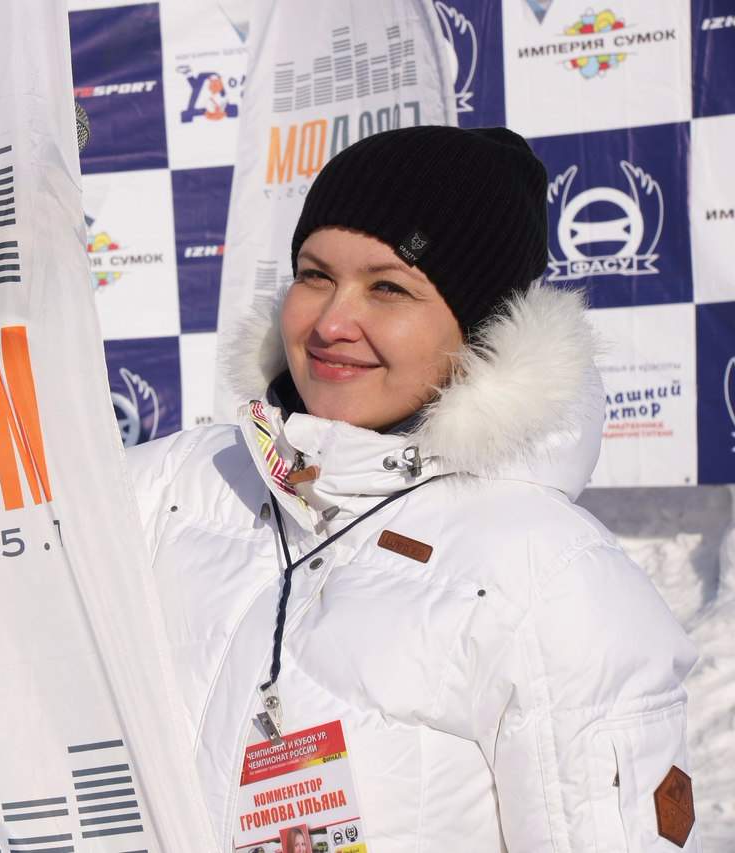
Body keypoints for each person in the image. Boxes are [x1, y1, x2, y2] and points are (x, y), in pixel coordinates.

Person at [127, 126, 699, 851]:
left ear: (485, 327)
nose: (332, 322)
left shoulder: (552, 578)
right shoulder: (178, 483)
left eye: (388, 287)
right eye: (314, 275)